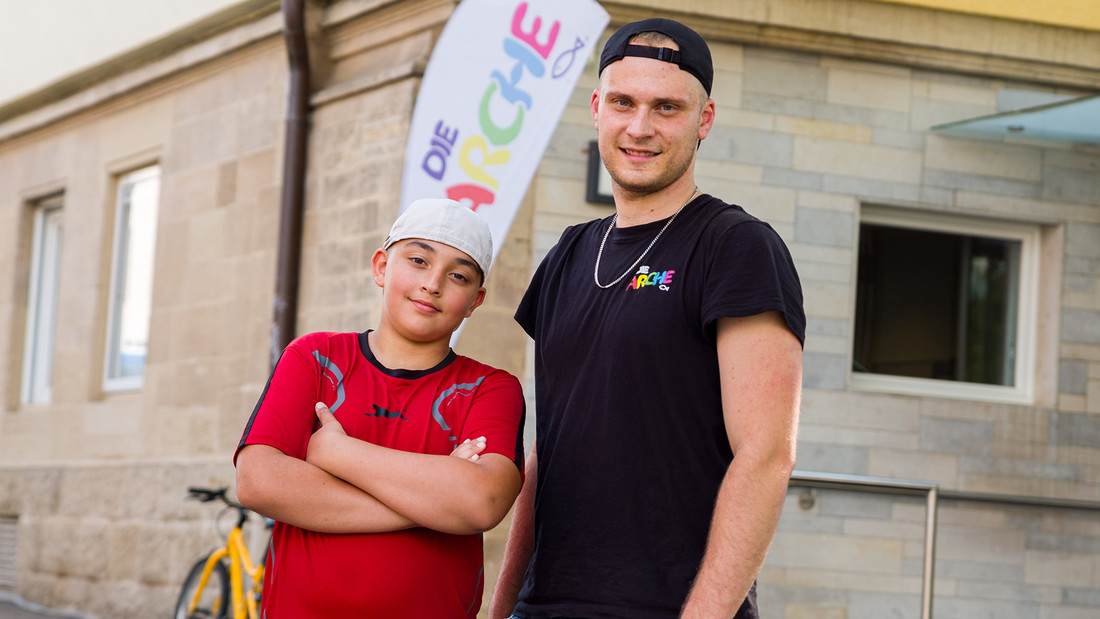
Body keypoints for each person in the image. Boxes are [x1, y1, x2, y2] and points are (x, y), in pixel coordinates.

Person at [489, 18, 805, 619]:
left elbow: (766, 455)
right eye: (623, 103)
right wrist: (503, 609)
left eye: (667, 107)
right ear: (596, 108)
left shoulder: (735, 247)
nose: (640, 127)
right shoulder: (568, 255)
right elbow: (546, 454)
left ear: (704, 119)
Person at [234, 198, 525, 617]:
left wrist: (338, 453)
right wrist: (433, 503)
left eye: (457, 275)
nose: (433, 283)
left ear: (476, 300)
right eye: (418, 261)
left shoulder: (488, 388)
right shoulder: (315, 359)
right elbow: (258, 482)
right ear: (381, 267)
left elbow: (482, 502)